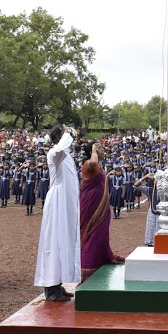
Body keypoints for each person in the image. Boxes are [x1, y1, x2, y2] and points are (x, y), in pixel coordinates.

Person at [34, 124, 81, 301]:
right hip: (58, 203)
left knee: (64, 241)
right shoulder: (55, 152)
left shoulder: (66, 154)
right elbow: (58, 151)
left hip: (67, 204)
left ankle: (58, 284)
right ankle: (51, 288)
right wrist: (67, 135)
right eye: (65, 131)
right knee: (54, 243)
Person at [79, 142, 124, 281]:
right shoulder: (89, 163)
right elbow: (93, 162)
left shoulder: (97, 165)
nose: (103, 151)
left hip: (99, 203)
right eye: (100, 149)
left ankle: (100, 257)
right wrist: (94, 149)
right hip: (91, 203)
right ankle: (88, 264)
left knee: (101, 231)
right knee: (92, 231)